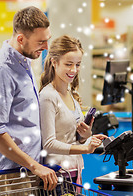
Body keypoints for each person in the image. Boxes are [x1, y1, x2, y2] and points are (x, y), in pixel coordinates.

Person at [0, 6, 58, 191]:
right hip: (10, 176)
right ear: (21, 39)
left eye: (47, 40)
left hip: (27, 170)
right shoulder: (1, 71)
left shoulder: (23, 61)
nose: (46, 47)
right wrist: (35, 165)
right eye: (41, 42)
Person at [39, 35, 107, 185]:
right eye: (68, 64)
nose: (74, 70)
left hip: (74, 173)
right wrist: (85, 148)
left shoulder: (70, 92)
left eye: (77, 64)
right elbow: (49, 144)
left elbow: (70, 138)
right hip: (57, 175)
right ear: (54, 63)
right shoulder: (48, 96)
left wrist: (86, 135)